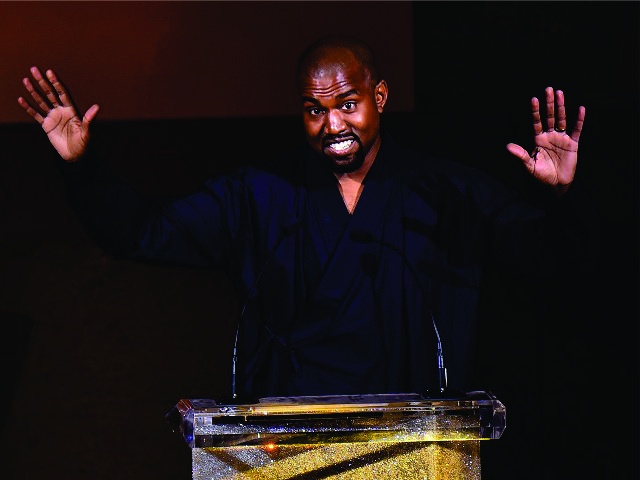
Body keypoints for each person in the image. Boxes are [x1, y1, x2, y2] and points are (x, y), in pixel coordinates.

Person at [17, 37, 596, 400]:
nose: (332, 125)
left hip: (418, 447)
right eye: (314, 110)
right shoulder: (259, 194)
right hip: (291, 447)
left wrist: (563, 197)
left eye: (348, 104)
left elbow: (559, 256)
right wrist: (83, 168)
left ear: (380, 97)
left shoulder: (446, 190)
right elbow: (140, 232)